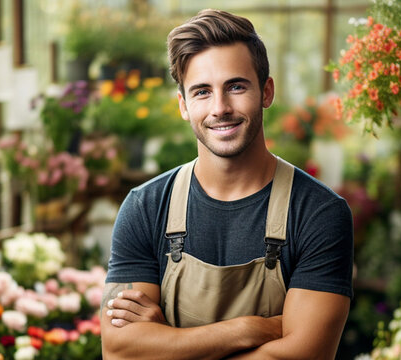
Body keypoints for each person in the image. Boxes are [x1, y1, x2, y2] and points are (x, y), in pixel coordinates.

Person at [101, 8, 353, 359]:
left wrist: (166, 341)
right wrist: (248, 329)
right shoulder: (145, 207)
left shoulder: (318, 212)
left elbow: (304, 355)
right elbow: (119, 353)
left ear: (266, 92)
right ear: (183, 105)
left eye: (236, 86)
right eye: (202, 92)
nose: (220, 107)